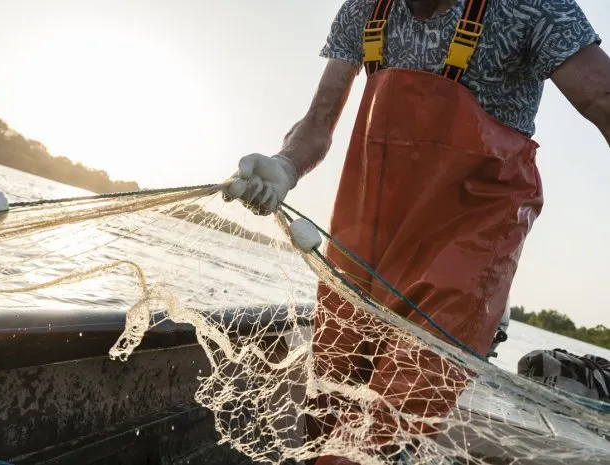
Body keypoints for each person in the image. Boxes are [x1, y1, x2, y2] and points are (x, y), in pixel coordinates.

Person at [224, 0, 609, 463]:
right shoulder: (365, 10)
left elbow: (601, 97)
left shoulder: (532, 8)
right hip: (365, 237)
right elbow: (319, 121)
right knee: (327, 406)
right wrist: (286, 165)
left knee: (379, 434)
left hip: (467, 251)